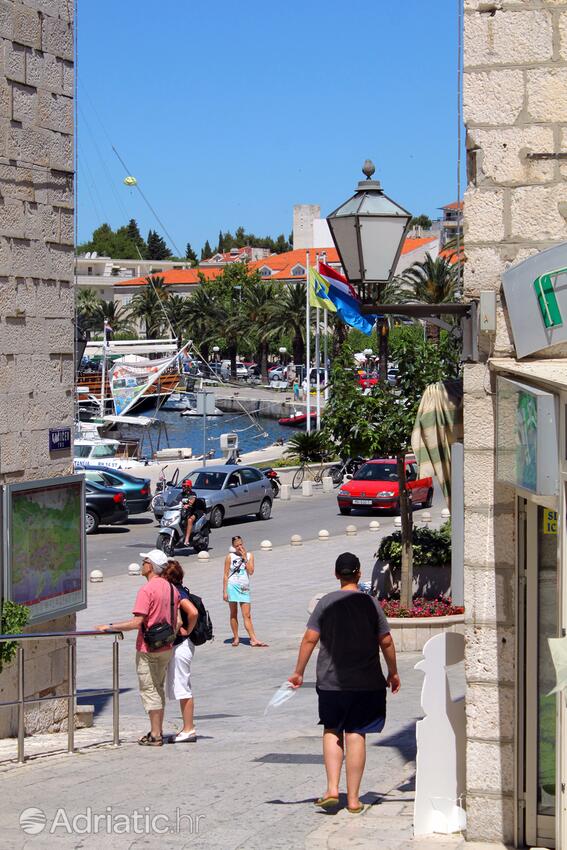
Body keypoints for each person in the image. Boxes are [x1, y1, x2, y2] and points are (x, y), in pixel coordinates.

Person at [288, 552, 400, 813]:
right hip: (366, 681)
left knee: (331, 729)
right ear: (358, 574)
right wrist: (393, 672)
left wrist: (298, 672)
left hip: (331, 682)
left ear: (337, 575)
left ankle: (330, 789)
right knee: (356, 733)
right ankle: (353, 800)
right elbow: (386, 641)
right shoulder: (371, 604)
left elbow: (309, 639)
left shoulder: (326, 602)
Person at [96, 549, 180, 747]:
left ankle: (156, 734)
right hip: (166, 645)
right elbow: (177, 620)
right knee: (157, 688)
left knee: (149, 689)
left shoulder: (147, 590)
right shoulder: (171, 588)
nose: (142, 565)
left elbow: (137, 622)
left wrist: (110, 627)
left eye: (144, 561)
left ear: (151, 566)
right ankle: (155, 731)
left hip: (148, 647)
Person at [162, 559, 200, 743]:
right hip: (183, 644)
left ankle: (189, 729)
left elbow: (192, 612)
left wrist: (187, 630)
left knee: (182, 685)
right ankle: (187, 728)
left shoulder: (177, 592)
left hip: (182, 644)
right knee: (181, 684)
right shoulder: (180, 589)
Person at [223, 535, 268, 647]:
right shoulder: (230, 557)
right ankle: (236, 637)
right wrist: (224, 591)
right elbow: (225, 575)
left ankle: (253, 639)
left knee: (247, 615)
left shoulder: (249, 555)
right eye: (237, 545)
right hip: (232, 587)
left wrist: (245, 557)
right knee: (233, 613)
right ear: (233, 546)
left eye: (241, 544)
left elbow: (251, 571)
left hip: (244, 588)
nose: (239, 547)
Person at [181, 481, 204, 548]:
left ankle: (187, 540)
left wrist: (188, 504)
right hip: (187, 511)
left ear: (189, 486)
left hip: (196, 511)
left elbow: (192, 501)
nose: (184, 487)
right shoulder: (181, 494)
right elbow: (175, 501)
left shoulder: (192, 494)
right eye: (183, 486)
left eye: (186, 486)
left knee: (190, 520)